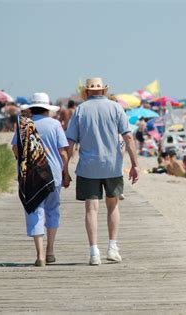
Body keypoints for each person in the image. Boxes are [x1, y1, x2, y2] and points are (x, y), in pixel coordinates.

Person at [65, 77, 139, 266]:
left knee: (91, 208)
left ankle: (93, 252)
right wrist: (134, 164)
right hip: (112, 165)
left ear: (87, 92)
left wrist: (65, 169)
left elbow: (71, 142)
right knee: (113, 205)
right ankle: (112, 248)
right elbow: (128, 138)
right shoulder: (116, 108)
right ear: (104, 91)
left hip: (88, 167)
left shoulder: (80, 110)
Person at [11, 92, 70, 267]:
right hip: (53, 175)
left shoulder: (23, 125)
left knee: (35, 210)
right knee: (52, 210)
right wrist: (66, 173)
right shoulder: (55, 125)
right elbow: (63, 152)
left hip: (30, 175)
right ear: (47, 109)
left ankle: (40, 255)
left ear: (31, 108)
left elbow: (15, 149)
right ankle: (50, 251)